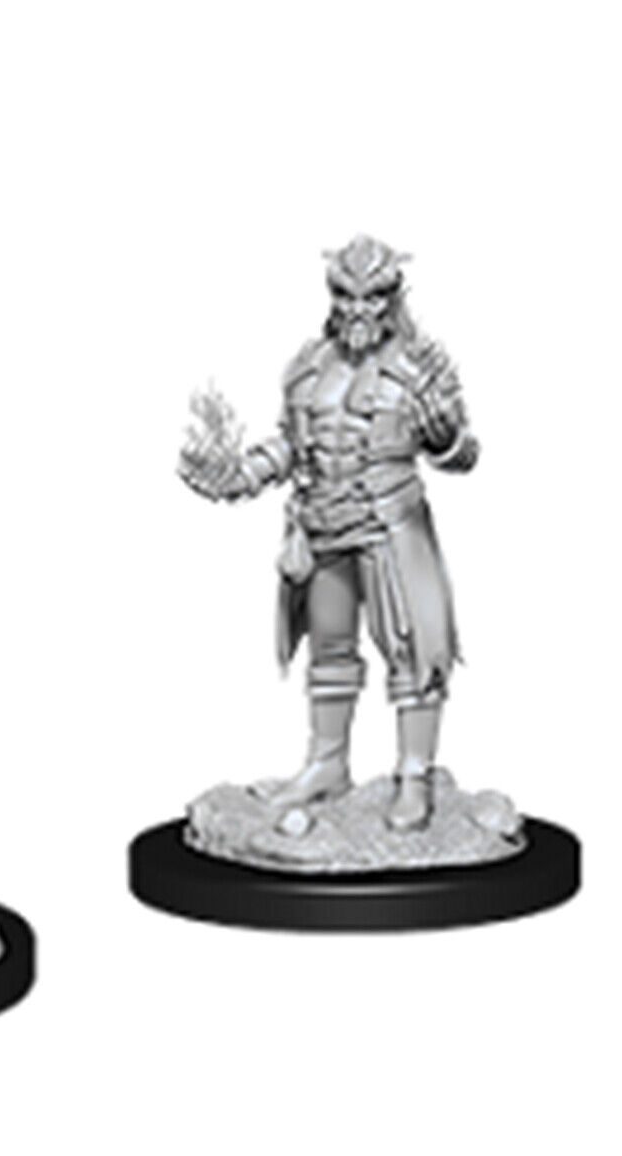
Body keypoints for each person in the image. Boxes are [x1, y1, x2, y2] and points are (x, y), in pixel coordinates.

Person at [179, 235, 477, 831]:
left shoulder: (418, 369)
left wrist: (443, 434)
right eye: (346, 295)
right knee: (329, 651)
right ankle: (327, 764)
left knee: (414, 655)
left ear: (392, 298)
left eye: (372, 297)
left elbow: (463, 453)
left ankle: (414, 776)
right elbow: (293, 446)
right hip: (322, 527)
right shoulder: (310, 367)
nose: (358, 309)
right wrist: (236, 474)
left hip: (388, 526)